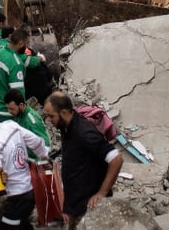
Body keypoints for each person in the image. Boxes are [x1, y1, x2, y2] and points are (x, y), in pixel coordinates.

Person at [43, 92, 123, 229]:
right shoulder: (66, 127)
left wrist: (102, 192)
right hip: (75, 204)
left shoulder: (84, 133)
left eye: (51, 116)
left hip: (88, 207)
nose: (49, 120)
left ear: (64, 112)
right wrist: (67, 207)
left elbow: (116, 159)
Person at [0, 28, 30, 123]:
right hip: (4, 113)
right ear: (21, 43)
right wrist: (24, 112)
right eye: (27, 43)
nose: (27, 46)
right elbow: (18, 93)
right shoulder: (16, 63)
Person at [4, 89, 50, 161]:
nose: (9, 111)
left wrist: (38, 163)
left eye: (11, 109)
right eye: (8, 108)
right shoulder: (18, 114)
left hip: (32, 160)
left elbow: (45, 145)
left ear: (21, 105)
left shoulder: (32, 121)